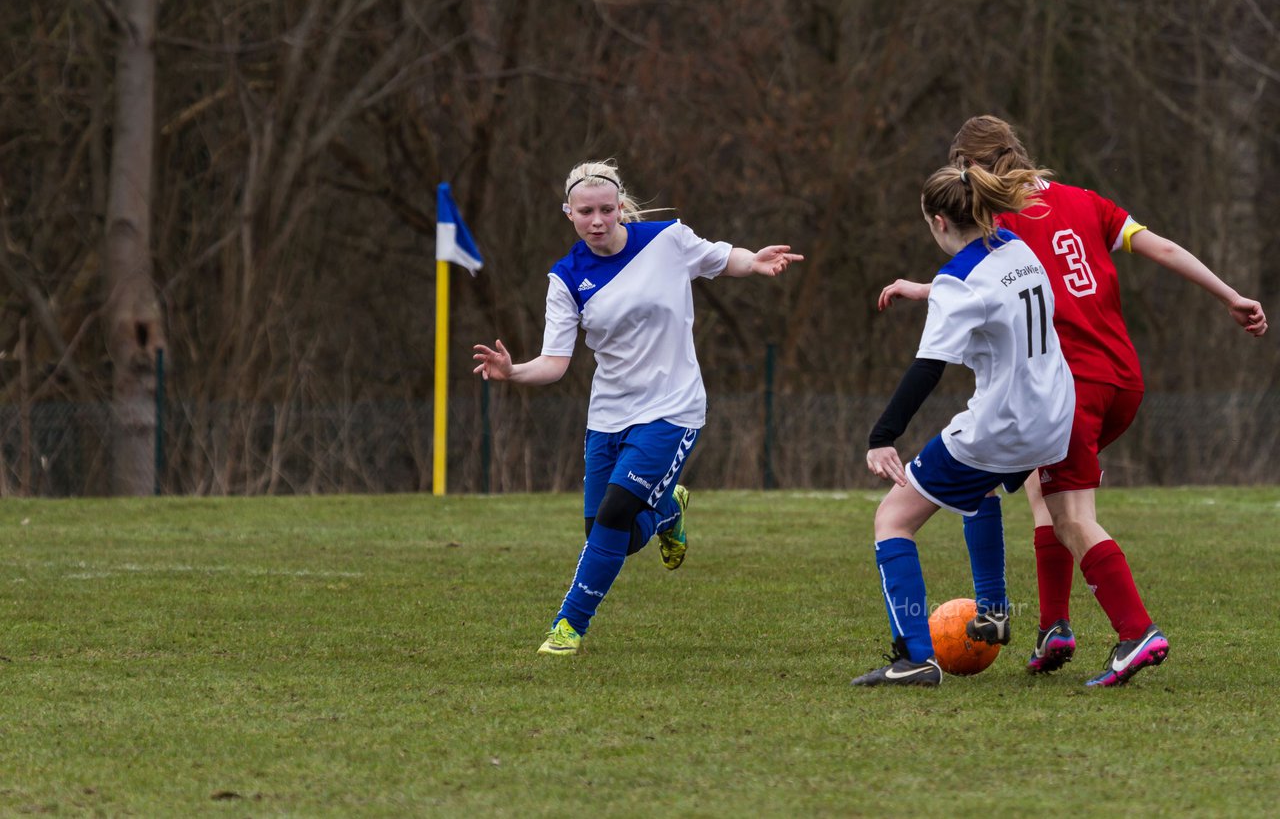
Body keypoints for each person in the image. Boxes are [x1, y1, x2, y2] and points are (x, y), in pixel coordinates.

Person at [878, 115, 1268, 686]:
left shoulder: (999, 223)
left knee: (1067, 512)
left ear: (973, 173)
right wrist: (1230, 295)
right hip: (1123, 379)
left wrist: (929, 291)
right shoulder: (1084, 201)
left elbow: (974, 289)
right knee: (1041, 489)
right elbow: (1158, 246)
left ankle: (1128, 630)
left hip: (1066, 387)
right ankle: (1051, 626)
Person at [473, 160, 802, 656]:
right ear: (569, 214)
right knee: (613, 537)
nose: (598, 220)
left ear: (620, 207)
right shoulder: (565, 279)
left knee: (616, 513)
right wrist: (514, 371)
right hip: (608, 414)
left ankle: (568, 626)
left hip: (673, 407)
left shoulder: (667, 240)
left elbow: (719, 257)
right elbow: (556, 363)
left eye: (607, 209)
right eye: (586, 212)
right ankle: (669, 511)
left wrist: (752, 261)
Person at [852, 162, 1075, 687]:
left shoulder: (957, 282)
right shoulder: (1016, 247)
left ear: (937, 221)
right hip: (1053, 416)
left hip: (1004, 427)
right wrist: (925, 288)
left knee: (893, 520)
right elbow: (988, 292)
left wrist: (882, 436)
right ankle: (994, 614)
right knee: (980, 491)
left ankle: (913, 658)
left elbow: (928, 368)